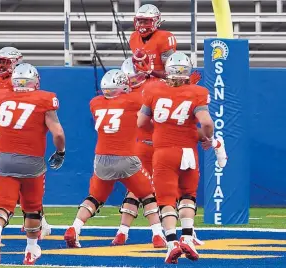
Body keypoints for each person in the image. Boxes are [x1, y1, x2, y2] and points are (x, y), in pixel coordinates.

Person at [0, 63, 66, 266]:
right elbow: (58, 133)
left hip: (5, 158)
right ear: (35, 81)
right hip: (32, 162)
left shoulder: (1, 97)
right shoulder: (44, 99)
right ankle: (31, 249)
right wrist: (61, 152)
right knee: (32, 208)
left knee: (2, 206)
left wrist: (1, 138)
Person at [63, 69, 160, 248]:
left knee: (94, 198)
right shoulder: (133, 100)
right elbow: (149, 99)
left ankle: (74, 228)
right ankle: (158, 235)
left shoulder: (95, 103)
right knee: (147, 195)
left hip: (102, 159)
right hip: (126, 159)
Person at [137, 52, 216, 264]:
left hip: (163, 152)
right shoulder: (197, 91)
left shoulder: (153, 89)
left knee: (166, 201)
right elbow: (206, 123)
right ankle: (188, 237)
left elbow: (141, 122)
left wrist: (160, 130)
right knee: (188, 195)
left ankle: (172, 244)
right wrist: (208, 138)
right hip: (188, 152)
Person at [0, 47, 52, 240]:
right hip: (6, 137)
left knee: (20, 183)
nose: (1, 66)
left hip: (21, 140)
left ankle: (37, 221)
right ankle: (33, 218)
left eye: (6, 62)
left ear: (16, 63)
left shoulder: (22, 83)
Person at [112, 57, 165, 248]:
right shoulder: (156, 87)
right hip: (159, 142)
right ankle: (167, 233)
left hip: (138, 144)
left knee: (136, 189)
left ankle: (122, 231)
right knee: (166, 189)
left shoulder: (123, 96)